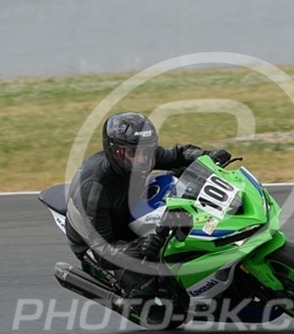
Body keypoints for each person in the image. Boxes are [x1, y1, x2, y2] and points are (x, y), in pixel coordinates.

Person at [65, 111, 230, 323]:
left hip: (129, 210)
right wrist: (137, 247)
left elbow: (178, 154)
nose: (142, 160)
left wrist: (207, 156)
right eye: (134, 153)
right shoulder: (95, 190)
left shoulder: (141, 154)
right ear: (114, 151)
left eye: (147, 151)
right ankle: (135, 303)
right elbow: (103, 251)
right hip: (97, 240)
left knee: (182, 181)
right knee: (146, 281)